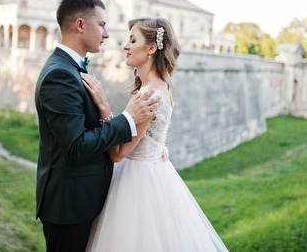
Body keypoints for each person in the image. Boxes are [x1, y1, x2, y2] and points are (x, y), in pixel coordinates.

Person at [81, 17, 229, 251]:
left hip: (136, 181)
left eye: (132, 40)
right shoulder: (162, 87)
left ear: (151, 48)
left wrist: (103, 107)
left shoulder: (149, 95)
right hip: (155, 171)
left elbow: (119, 153)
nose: (125, 46)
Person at [34, 0, 162, 252]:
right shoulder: (60, 74)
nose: (106, 34)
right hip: (68, 206)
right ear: (80, 25)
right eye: (102, 25)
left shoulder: (71, 68)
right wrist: (128, 118)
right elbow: (76, 146)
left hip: (81, 201)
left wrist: (104, 107)